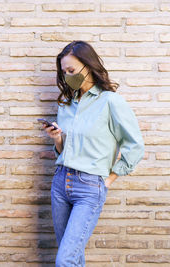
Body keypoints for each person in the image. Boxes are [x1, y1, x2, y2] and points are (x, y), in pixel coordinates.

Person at [43, 40, 144, 267]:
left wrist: (109, 179)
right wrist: (57, 139)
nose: (68, 76)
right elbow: (63, 150)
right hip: (60, 183)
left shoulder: (111, 102)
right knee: (73, 257)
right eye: (64, 72)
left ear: (88, 66)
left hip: (89, 187)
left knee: (65, 260)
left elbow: (135, 145)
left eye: (72, 70)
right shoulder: (66, 105)